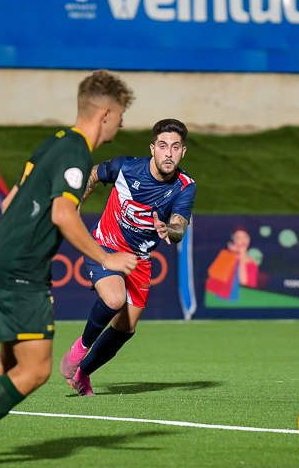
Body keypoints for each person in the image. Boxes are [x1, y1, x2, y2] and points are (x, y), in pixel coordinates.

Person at [0, 70, 138, 467]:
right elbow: (63, 214)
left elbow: (9, 202)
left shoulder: (54, 142)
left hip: (4, 258)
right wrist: (107, 258)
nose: (121, 124)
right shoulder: (76, 153)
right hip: (22, 270)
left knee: (10, 359)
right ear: (105, 113)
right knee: (35, 370)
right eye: (120, 116)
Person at [59, 118, 196, 396]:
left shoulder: (185, 186)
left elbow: (180, 226)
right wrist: (75, 202)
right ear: (152, 149)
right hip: (105, 247)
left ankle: (83, 373)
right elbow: (96, 173)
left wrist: (169, 228)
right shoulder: (127, 168)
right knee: (114, 299)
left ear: (183, 152)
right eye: (162, 146)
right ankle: (80, 348)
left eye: (175, 147)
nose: (168, 153)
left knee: (126, 327)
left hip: (139, 260)